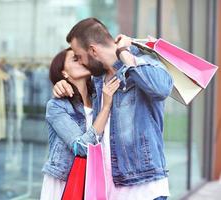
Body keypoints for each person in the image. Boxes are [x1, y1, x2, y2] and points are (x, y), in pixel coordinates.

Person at [53, 18, 174, 200]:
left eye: (79, 56)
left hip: (144, 187)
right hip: (109, 188)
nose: (79, 62)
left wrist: (124, 53)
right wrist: (61, 85)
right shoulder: (97, 79)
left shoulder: (144, 62)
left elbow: (162, 88)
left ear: (93, 50)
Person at [40, 47, 120, 200]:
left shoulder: (99, 97)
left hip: (94, 179)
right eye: (75, 59)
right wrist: (106, 108)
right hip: (66, 180)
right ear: (64, 72)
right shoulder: (57, 105)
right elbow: (82, 148)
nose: (82, 61)